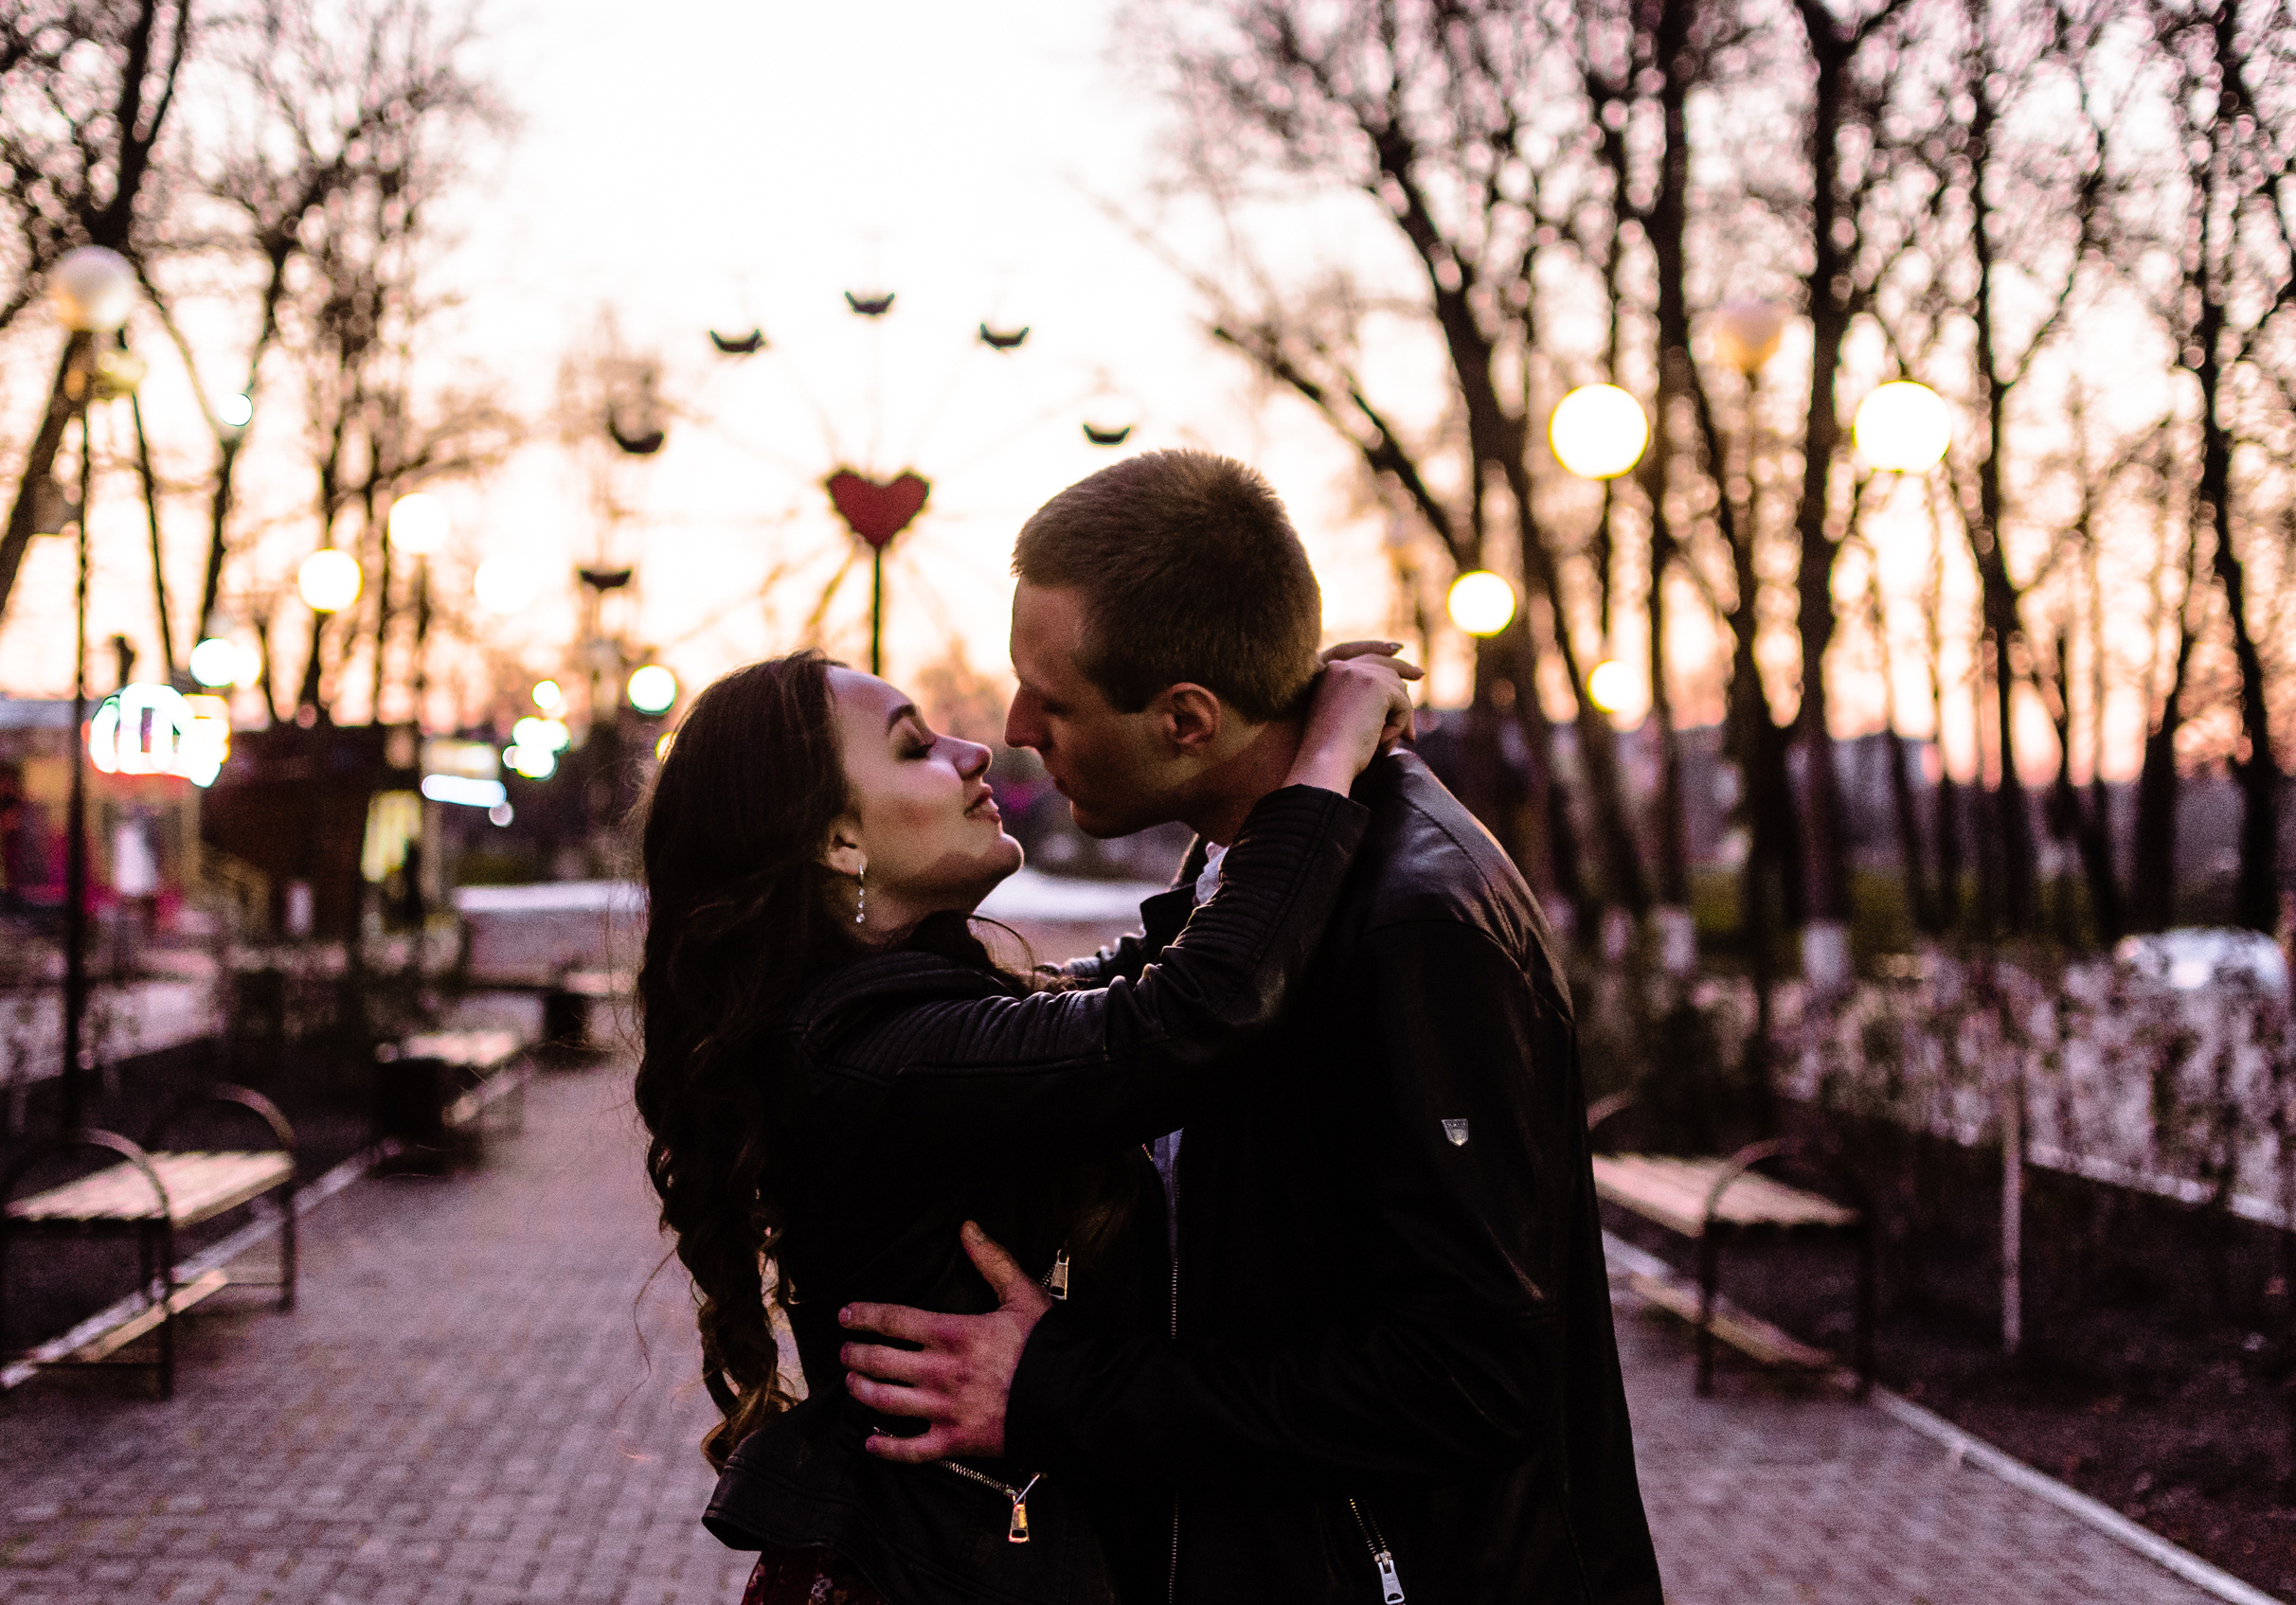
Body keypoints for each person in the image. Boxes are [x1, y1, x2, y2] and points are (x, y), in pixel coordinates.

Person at [840, 450, 1665, 1604]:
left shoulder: (1408, 923)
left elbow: (1470, 1379)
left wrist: (1064, 1390)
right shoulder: (1251, 890)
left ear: (1186, 720)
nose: (1016, 728)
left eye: (1054, 699)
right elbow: (1139, 1025)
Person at [632, 639, 1414, 1604]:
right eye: (913, 747)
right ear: (836, 839)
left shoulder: (877, 1023)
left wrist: (1249, 793)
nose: (972, 752)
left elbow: (1131, 984)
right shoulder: (870, 1054)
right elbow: (1185, 1019)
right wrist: (1326, 760)